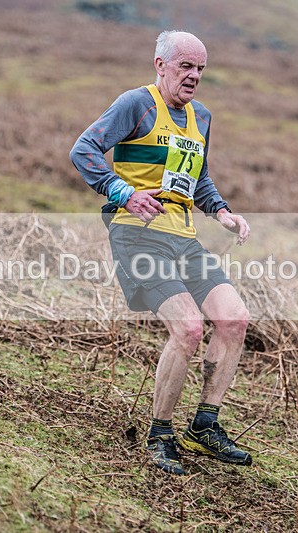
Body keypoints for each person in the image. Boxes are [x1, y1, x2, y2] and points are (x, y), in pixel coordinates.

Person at [70, 30, 253, 475]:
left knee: (233, 319)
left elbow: (197, 177)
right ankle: (160, 433)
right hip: (137, 235)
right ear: (160, 64)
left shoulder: (202, 117)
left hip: (183, 238)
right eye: (185, 66)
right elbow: (84, 150)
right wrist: (124, 193)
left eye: (200, 69)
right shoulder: (137, 104)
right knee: (189, 328)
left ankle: (205, 426)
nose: (193, 76)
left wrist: (222, 211)